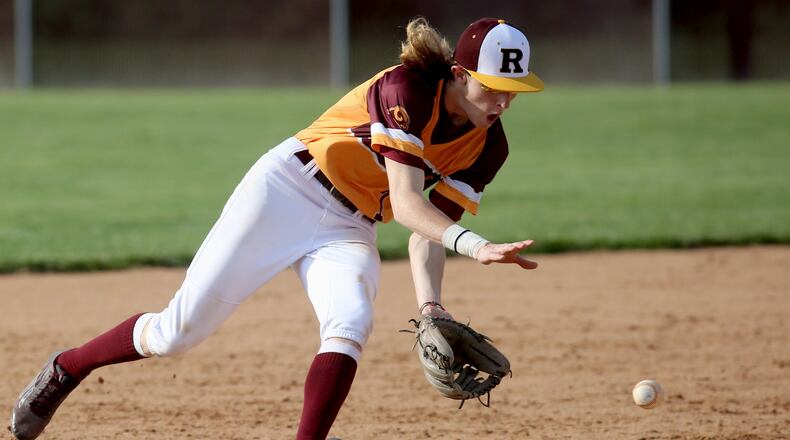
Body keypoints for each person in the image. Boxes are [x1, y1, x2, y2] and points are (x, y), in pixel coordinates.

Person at [10, 16, 543, 440]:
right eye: (492, 87)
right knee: (174, 334)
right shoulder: (407, 88)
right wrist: (476, 248)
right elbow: (406, 203)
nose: (503, 102)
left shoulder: (491, 146)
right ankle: (67, 368)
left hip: (348, 227)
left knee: (350, 324)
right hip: (286, 190)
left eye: (513, 91)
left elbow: (426, 229)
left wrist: (431, 307)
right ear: (458, 73)